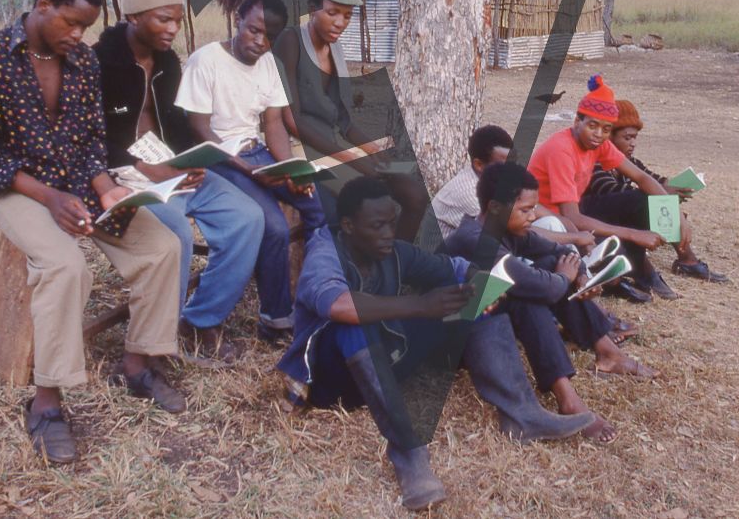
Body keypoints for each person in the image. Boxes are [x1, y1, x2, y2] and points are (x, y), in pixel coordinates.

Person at [0, 0, 185, 464]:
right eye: (70, 23)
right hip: (14, 191)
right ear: (43, 6)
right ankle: (47, 401)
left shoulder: (82, 62)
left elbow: (90, 144)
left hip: (79, 185)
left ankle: (138, 365)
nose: (78, 36)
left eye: (85, 27)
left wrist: (106, 189)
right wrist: (50, 197)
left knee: (161, 247)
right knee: (65, 266)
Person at [276, 177, 594, 511]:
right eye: (377, 226)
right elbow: (338, 305)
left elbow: (454, 269)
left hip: (385, 366)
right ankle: (409, 454)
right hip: (332, 379)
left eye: (391, 224)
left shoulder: (393, 250)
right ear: (348, 226)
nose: (388, 233)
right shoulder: (325, 251)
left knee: (474, 301)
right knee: (353, 324)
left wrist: (482, 286)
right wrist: (422, 305)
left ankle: (522, 416)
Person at [93, 0, 264, 362]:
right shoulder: (100, 64)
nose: (172, 28)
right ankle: (159, 341)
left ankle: (202, 319)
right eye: (163, 19)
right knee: (178, 238)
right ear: (133, 17)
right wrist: (152, 171)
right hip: (126, 175)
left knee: (247, 218)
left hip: (171, 169)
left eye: (177, 18)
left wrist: (191, 161)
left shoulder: (168, 63)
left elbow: (177, 124)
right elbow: (95, 140)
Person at [444, 163, 659, 444]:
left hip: (486, 319)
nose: (533, 217)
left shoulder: (506, 229)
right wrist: (564, 277)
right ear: (496, 208)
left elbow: (558, 251)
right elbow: (541, 289)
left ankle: (607, 351)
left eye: (533, 208)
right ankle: (567, 399)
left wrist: (580, 276)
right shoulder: (475, 240)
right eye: (525, 210)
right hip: (454, 339)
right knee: (527, 296)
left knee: (550, 265)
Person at [176, 0, 326, 342]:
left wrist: (288, 168)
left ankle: (322, 293)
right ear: (237, 19)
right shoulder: (206, 61)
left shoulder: (269, 64)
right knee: (272, 226)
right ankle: (276, 319)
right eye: (254, 30)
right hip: (218, 159)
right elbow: (200, 131)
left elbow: (273, 124)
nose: (261, 42)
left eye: (270, 36)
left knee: (318, 204)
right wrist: (248, 170)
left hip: (256, 154)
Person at [274, 0, 429, 241]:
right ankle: (357, 271)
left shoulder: (336, 51)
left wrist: (374, 151)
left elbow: (344, 121)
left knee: (415, 196)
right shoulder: (291, 41)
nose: (340, 23)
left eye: (347, 15)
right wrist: (352, 159)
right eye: (332, 13)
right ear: (312, 8)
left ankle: (397, 266)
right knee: (359, 206)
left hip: (333, 143)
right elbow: (293, 120)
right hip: (304, 149)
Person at [527, 75, 685, 302]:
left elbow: (640, 176)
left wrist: (676, 214)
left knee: (640, 200)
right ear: (576, 122)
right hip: (551, 222)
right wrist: (634, 234)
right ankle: (618, 278)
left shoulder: (598, 143)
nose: (599, 134)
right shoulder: (561, 150)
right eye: (592, 125)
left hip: (574, 214)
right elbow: (572, 217)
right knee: (613, 249)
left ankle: (635, 270)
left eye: (606, 129)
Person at [586, 99, 730, 284]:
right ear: (609, 137)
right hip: (596, 220)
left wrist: (674, 187)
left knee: (656, 198)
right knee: (648, 200)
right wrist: (663, 193)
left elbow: (654, 180)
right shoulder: (595, 162)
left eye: (635, 137)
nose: (633, 144)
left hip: (622, 217)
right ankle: (677, 263)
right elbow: (612, 191)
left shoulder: (632, 163)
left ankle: (687, 259)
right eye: (627, 137)